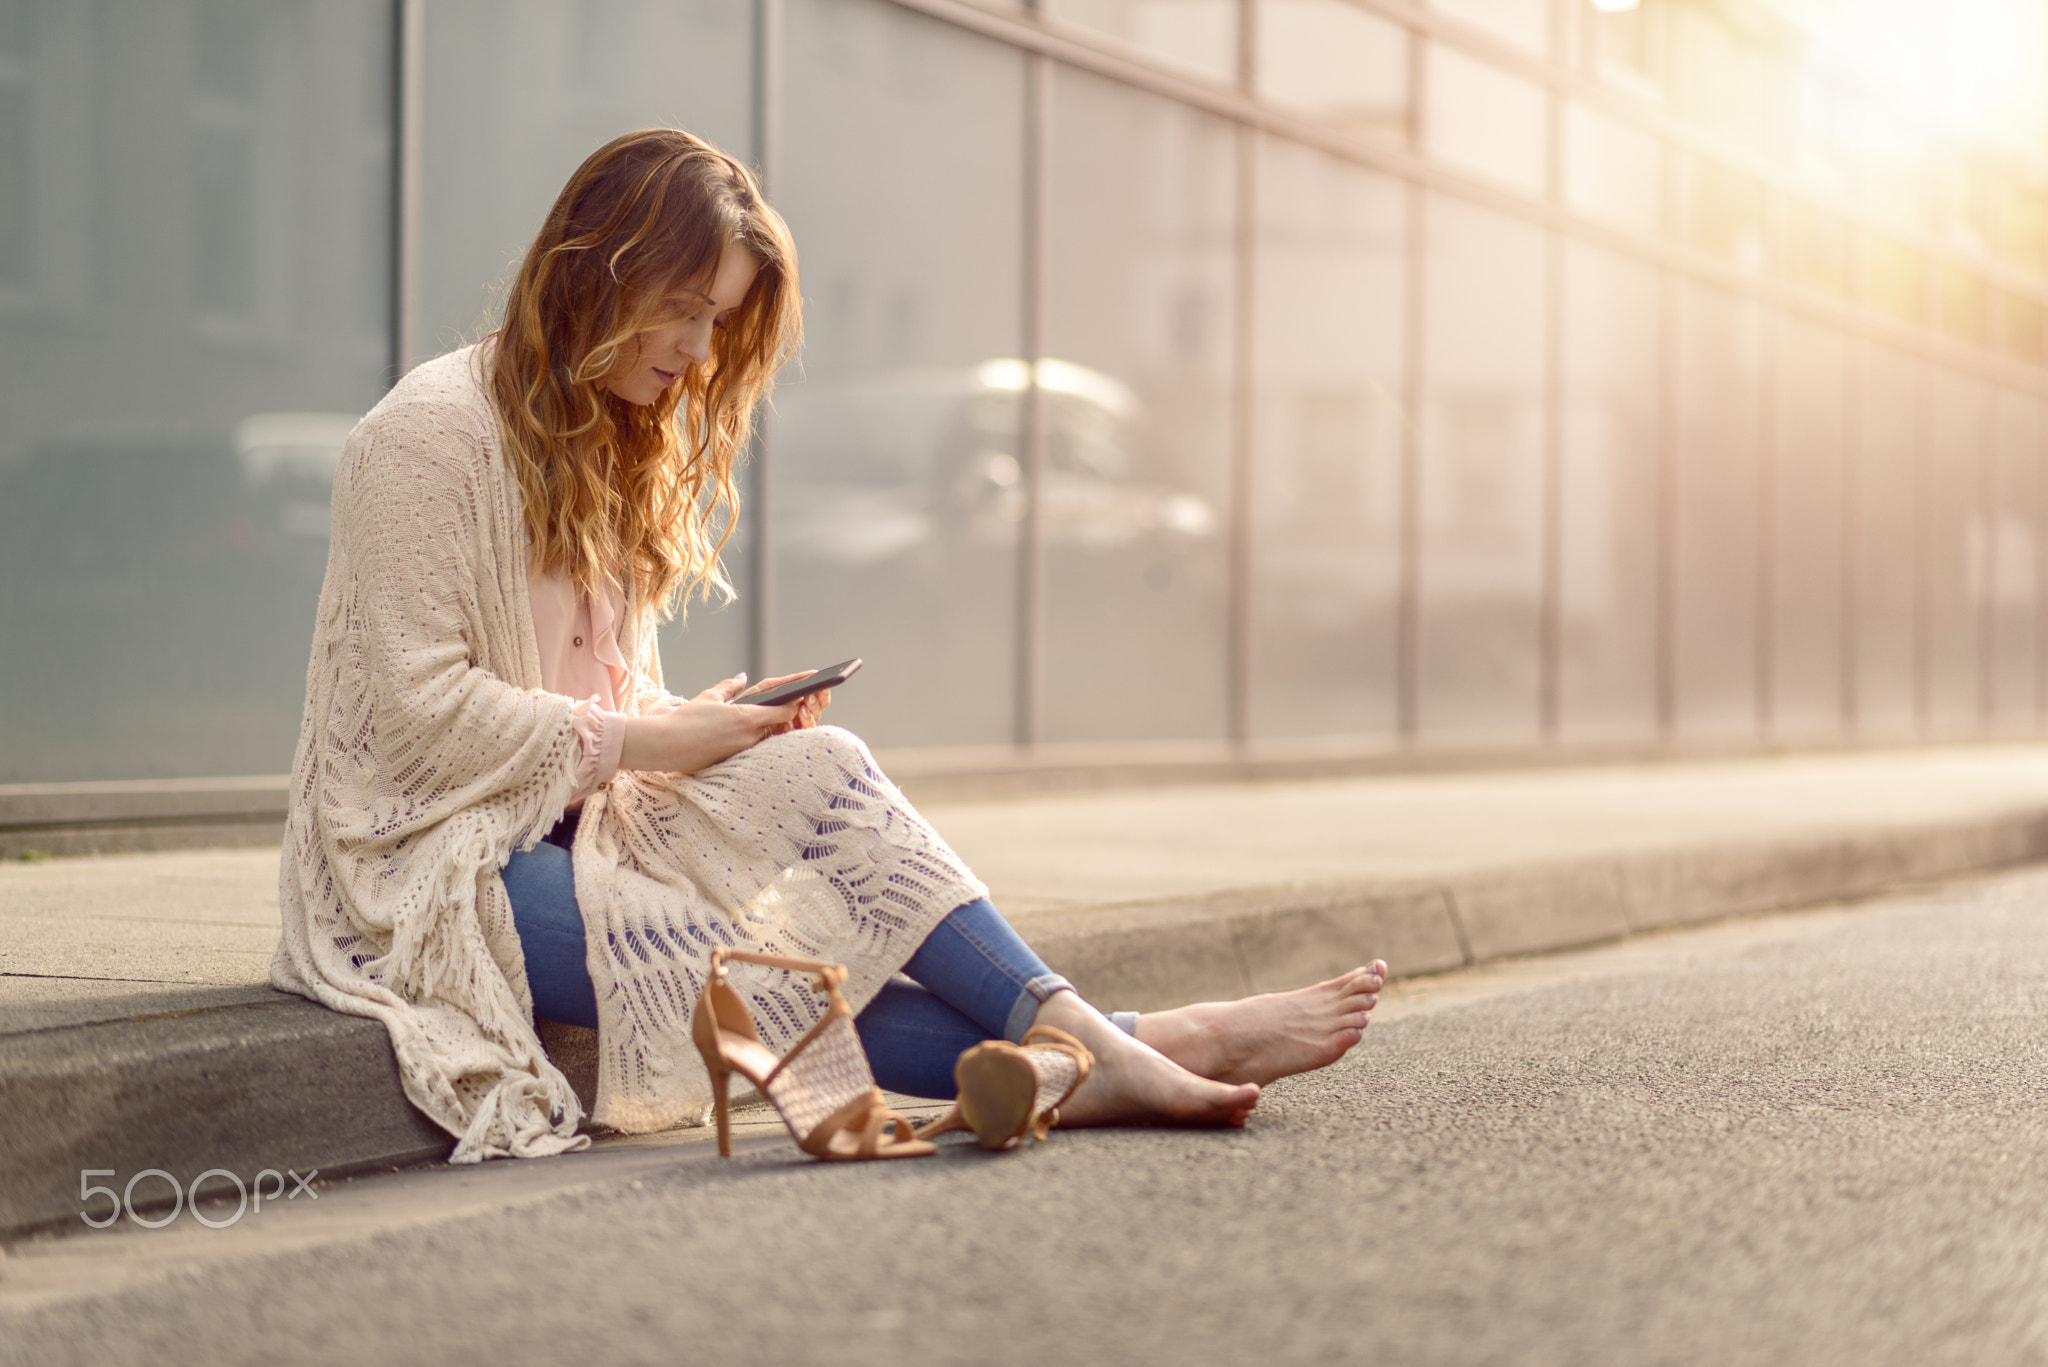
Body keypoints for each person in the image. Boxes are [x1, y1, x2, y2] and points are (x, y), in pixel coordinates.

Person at [272, 127, 1386, 1162]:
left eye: (721, 322)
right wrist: (661, 740)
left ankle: (1077, 1035)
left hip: (570, 818)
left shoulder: (602, 443)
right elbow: (423, 716)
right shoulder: (426, 434)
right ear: (598, 269)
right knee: (707, 943)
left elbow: (592, 704)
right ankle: (1141, 1045)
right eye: (686, 310)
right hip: (434, 860)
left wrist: (698, 726)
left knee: (824, 763)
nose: (702, 354)